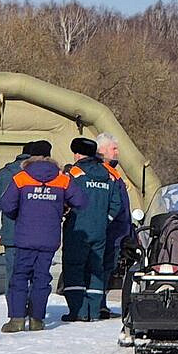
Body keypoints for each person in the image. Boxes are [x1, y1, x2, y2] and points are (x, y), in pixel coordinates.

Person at [0, 140, 86, 332]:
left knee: (19, 277)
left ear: (31, 156)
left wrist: (18, 214)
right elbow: (80, 200)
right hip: (49, 238)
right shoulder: (62, 179)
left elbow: (6, 205)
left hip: (24, 237)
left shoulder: (21, 178)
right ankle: (37, 319)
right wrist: (62, 207)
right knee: (41, 278)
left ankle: (17, 319)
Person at [60, 136, 127, 322]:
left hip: (77, 229)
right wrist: (104, 220)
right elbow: (116, 203)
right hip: (100, 230)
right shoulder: (109, 175)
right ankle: (95, 310)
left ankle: (78, 311)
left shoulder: (74, 174)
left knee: (74, 267)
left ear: (77, 154)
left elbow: (65, 198)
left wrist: (65, 214)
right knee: (96, 268)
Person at [96, 133, 135, 295]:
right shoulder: (103, 173)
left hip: (119, 231)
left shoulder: (113, 172)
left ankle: (101, 302)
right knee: (103, 268)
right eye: (114, 149)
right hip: (110, 231)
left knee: (109, 268)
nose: (117, 152)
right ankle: (99, 303)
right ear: (102, 150)